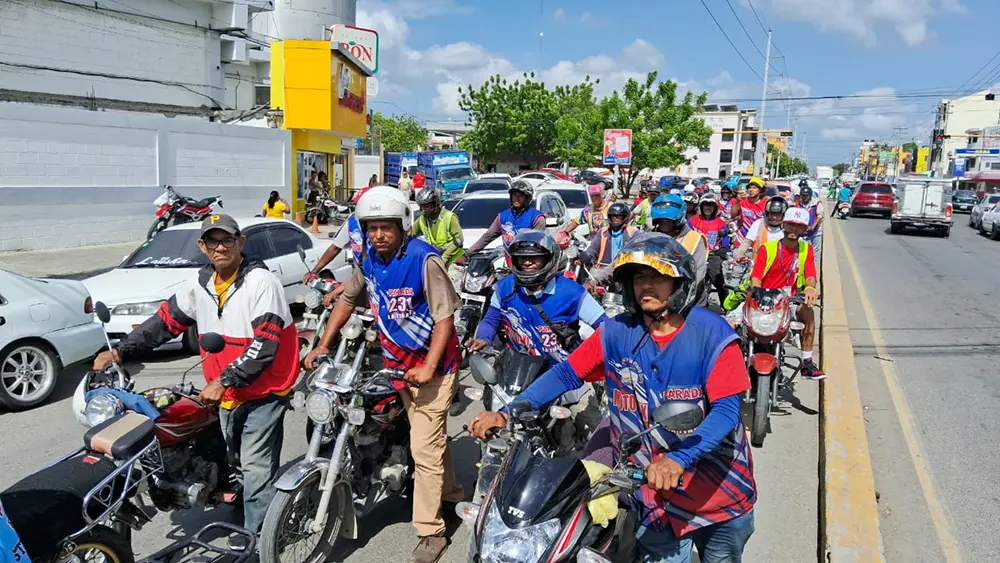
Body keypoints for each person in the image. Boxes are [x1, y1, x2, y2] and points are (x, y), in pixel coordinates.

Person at [469, 233, 756, 562]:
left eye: (658, 276)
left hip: (718, 494)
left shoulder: (712, 334)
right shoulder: (617, 332)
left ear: (680, 282)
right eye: (639, 278)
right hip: (652, 494)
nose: (646, 285)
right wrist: (509, 411)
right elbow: (566, 374)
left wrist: (678, 459)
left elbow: (727, 411)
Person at [92, 214, 297, 547]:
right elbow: (164, 323)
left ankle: (257, 541)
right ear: (202, 247)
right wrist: (119, 353)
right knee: (231, 458)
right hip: (226, 389)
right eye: (212, 241)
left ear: (240, 243)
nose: (220, 247)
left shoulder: (262, 282)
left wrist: (225, 379)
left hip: (264, 387)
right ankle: (234, 498)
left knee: (257, 467)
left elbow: (265, 345)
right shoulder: (199, 284)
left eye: (227, 239)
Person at [302, 187, 464, 563]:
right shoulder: (369, 259)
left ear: (402, 225)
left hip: (433, 370)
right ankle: (451, 491)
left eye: (385, 228)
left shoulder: (425, 260)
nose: (378, 235)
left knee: (424, 448)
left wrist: (427, 367)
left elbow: (444, 318)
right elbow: (347, 298)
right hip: (393, 366)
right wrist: (323, 344)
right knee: (424, 437)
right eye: (371, 228)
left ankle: (431, 531)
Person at [465, 231, 607, 450]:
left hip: (563, 373)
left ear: (549, 260)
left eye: (535, 257)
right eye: (522, 258)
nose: (528, 262)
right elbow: (491, 319)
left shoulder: (572, 293)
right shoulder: (505, 288)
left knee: (593, 436)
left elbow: (606, 327)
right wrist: (483, 338)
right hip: (515, 371)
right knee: (491, 425)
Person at [750, 207, 825, 380]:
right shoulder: (767, 249)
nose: (794, 229)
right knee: (733, 323)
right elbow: (756, 277)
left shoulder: (806, 249)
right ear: (784, 224)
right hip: (764, 299)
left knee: (808, 311)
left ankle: (807, 363)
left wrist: (810, 289)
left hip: (788, 300)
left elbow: (811, 276)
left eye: (799, 226)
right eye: (791, 225)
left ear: (805, 229)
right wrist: (756, 293)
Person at [650, 194, 709, 307]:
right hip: (657, 292)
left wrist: (678, 297)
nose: (664, 224)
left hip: (688, 296)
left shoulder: (695, 239)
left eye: (668, 221)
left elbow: (699, 273)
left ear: (679, 220)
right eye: (661, 221)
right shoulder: (649, 237)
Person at [467, 179, 545, 254]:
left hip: (528, 261)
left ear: (527, 198)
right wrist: (468, 253)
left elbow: (537, 243)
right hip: (507, 261)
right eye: (514, 195)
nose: (517, 198)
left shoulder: (537, 217)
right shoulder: (502, 216)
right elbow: (488, 236)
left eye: (520, 195)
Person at [304, 214, 364, 306]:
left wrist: (336, 292)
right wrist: (314, 271)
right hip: (357, 279)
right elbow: (335, 248)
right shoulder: (352, 223)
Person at [578, 202, 638, 286]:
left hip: (624, 272)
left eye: (619, 217)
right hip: (602, 272)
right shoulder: (603, 231)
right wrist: (587, 255)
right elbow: (593, 248)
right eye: (613, 216)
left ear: (625, 217)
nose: (615, 219)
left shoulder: (633, 233)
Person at [688, 193, 731, 304]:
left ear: (715, 207)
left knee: (718, 280)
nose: (708, 207)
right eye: (705, 205)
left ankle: (726, 306)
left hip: (713, 255)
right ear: (701, 207)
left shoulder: (721, 223)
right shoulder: (692, 221)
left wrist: (722, 251)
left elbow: (725, 244)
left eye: (711, 205)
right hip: (695, 255)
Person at [412, 188, 465, 266]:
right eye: (421, 207)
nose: (423, 210)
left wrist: (444, 258)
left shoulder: (449, 217)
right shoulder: (422, 219)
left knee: (452, 276)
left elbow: (459, 240)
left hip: (453, 261)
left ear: (435, 204)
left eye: (426, 206)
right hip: (436, 259)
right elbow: (409, 235)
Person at [734, 196, 788, 263]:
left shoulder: (787, 228)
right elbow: (746, 242)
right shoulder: (759, 224)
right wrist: (740, 255)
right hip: (758, 265)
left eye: (777, 215)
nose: (774, 217)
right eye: (772, 214)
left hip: (779, 266)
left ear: (783, 215)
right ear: (767, 213)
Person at [795, 183, 825, 268]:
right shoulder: (798, 204)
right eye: (803, 196)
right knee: (803, 251)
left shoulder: (816, 203)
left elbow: (820, 215)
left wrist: (813, 226)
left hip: (816, 232)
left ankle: (813, 270)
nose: (804, 198)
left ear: (810, 196)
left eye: (806, 196)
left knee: (815, 252)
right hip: (803, 233)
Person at [737, 177, 768, 244]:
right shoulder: (743, 202)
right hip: (742, 240)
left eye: (754, 188)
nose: (751, 190)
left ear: (760, 190)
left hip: (758, 242)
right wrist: (737, 201)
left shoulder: (766, 203)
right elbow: (733, 215)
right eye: (749, 188)